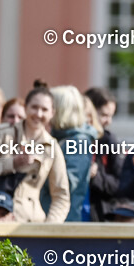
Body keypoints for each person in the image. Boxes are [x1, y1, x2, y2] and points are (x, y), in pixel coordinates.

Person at [0, 81, 70, 223]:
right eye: (34, 107)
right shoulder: (2, 134)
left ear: (52, 113)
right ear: (26, 108)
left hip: (31, 223)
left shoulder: (52, 147)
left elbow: (61, 196)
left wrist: (50, 227)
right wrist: (12, 163)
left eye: (44, 109)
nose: (38, 114)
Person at [44, 85, 95, 222]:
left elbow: (67, 184)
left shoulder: (79, 142)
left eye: (49, 106)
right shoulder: (58, 138)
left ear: (60, 110)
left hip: (64, 221)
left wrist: (35, 172)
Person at [85, 87, 125, 221]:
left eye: (111, 116)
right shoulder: (69, 141)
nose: (109, 121)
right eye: (104, 115)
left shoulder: (109, 141)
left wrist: (96, 176)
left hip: (98, 216)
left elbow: (119, 184)